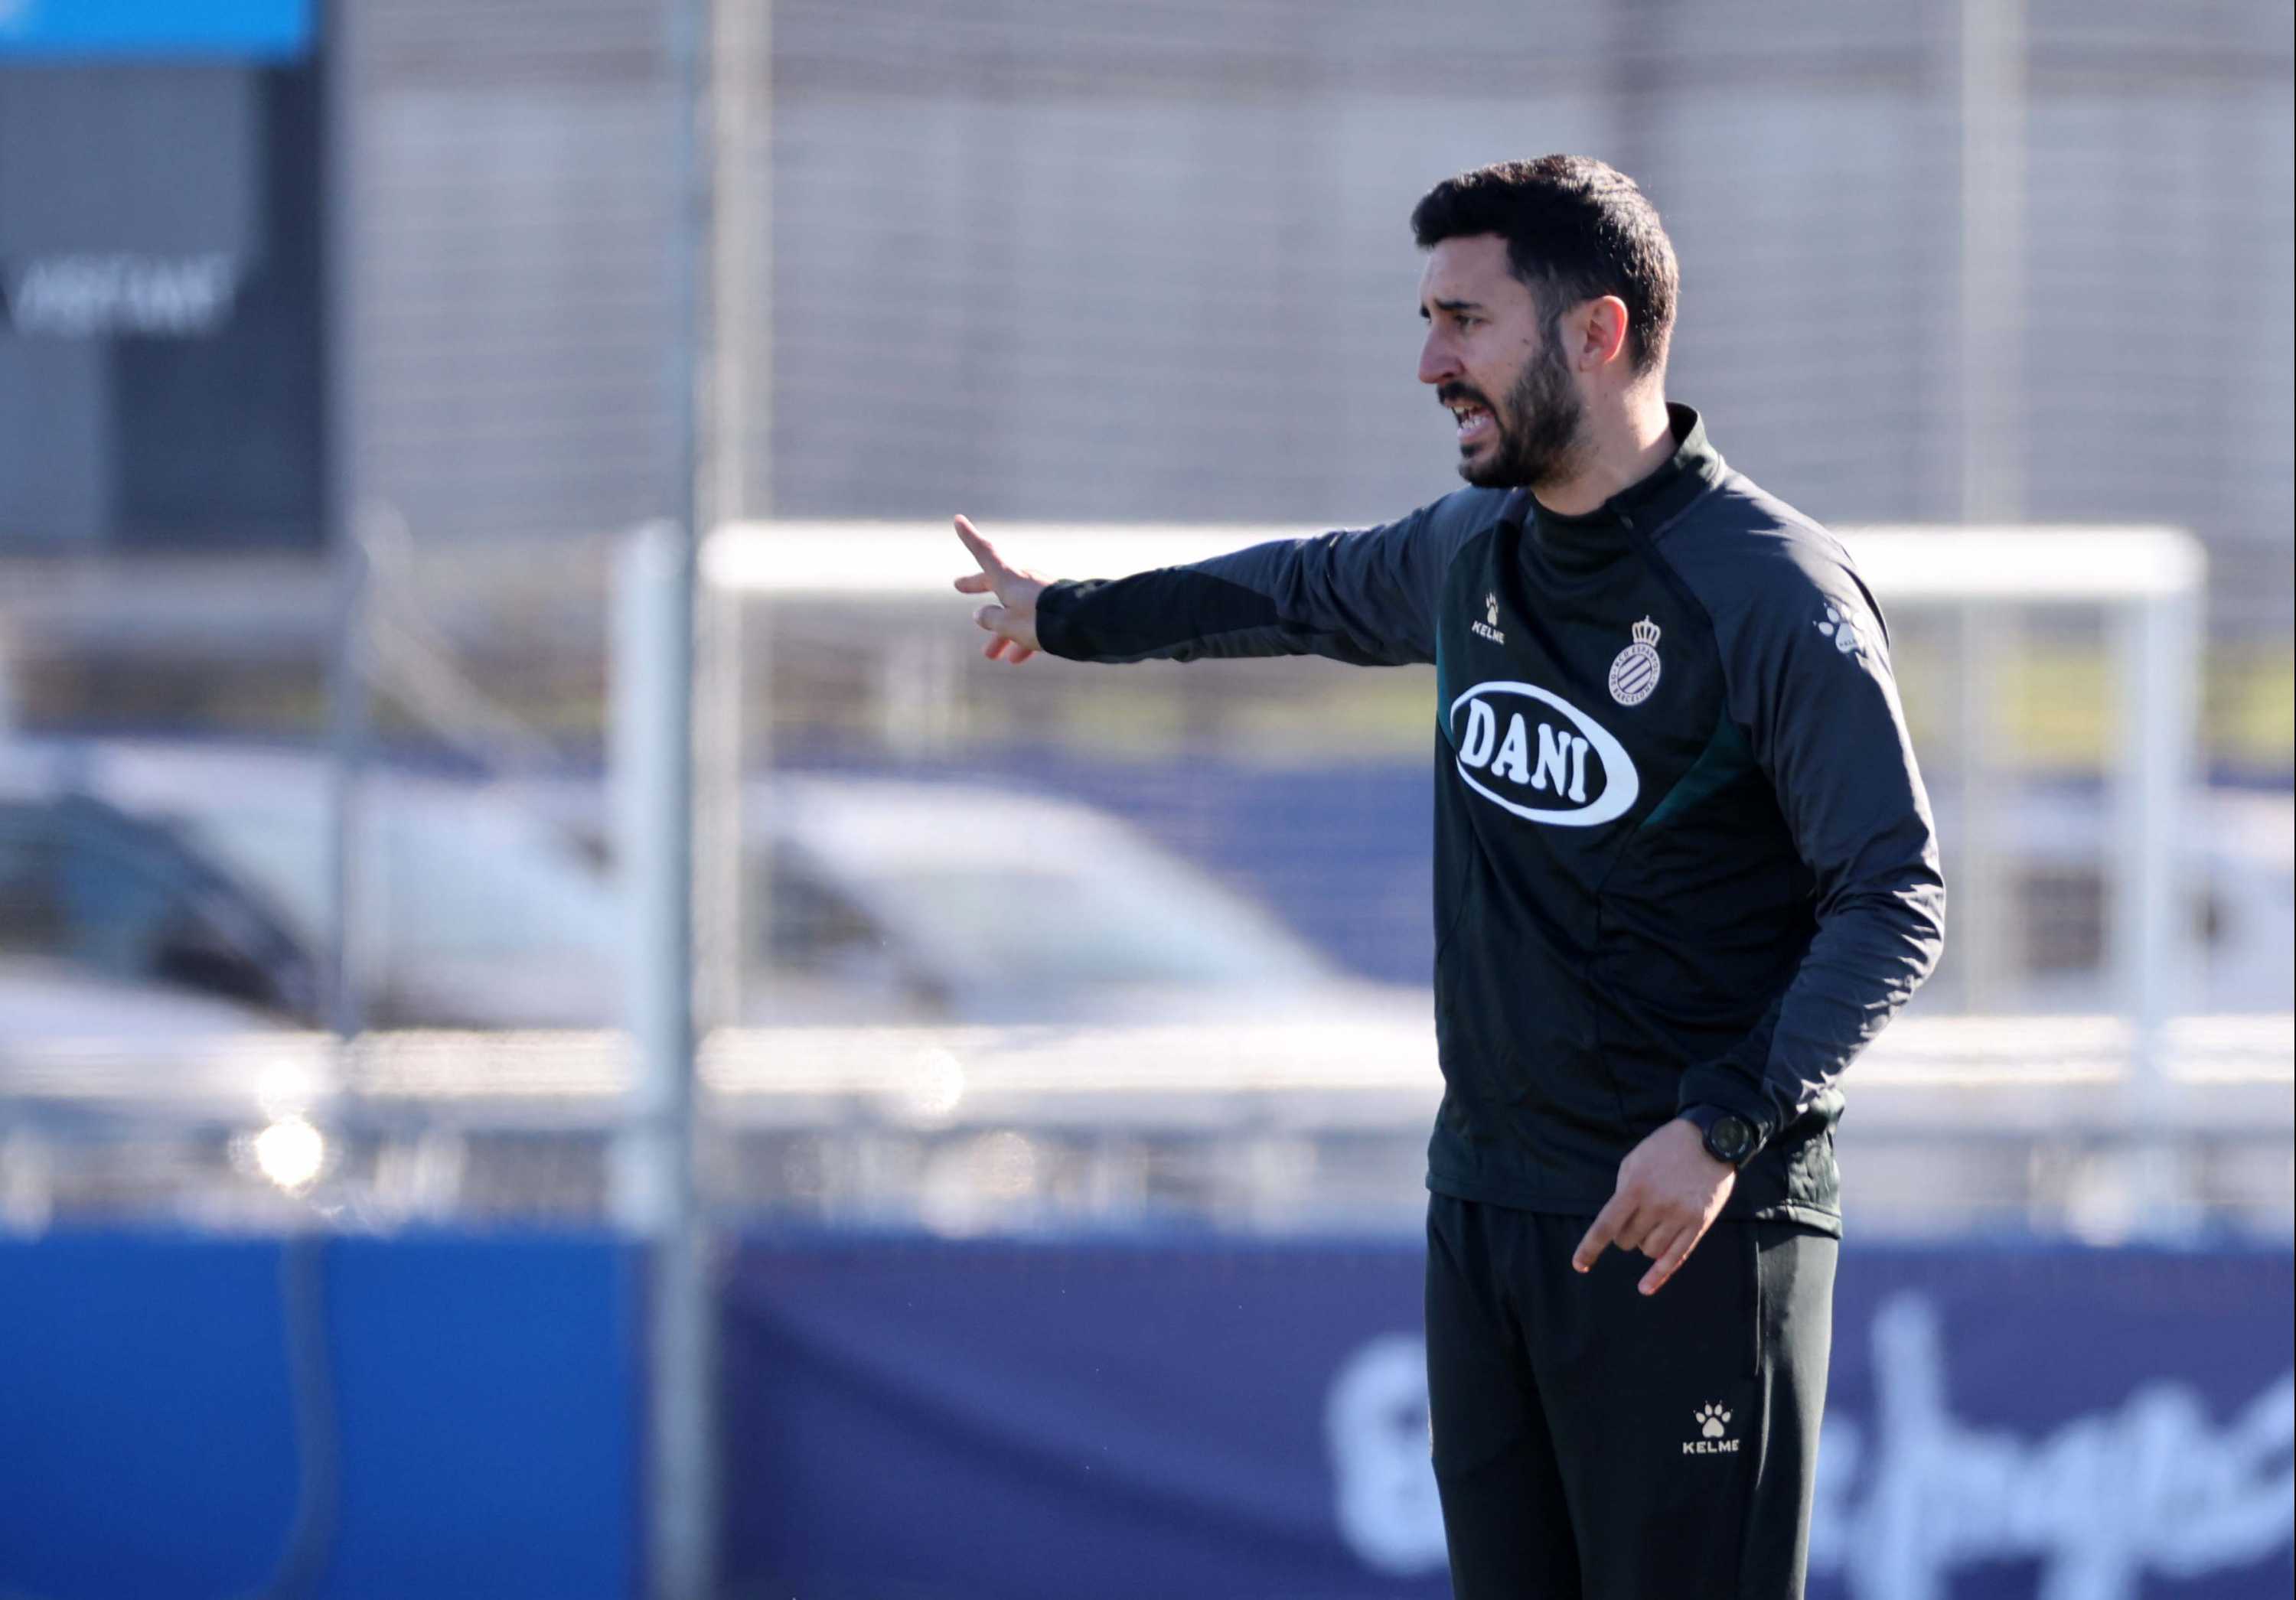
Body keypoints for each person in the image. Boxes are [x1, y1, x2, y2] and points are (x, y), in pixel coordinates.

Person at [949, 155, 1944, 1600]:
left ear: (1597, 332)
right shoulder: (1471, 549)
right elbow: (1291, 590)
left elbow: (1895, 896)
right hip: (1486, 1206)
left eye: (1465, 322)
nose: (1430, 365)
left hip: (1689, 1225)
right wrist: (1070, 616)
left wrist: (1723, 1125)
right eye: (1427, 321)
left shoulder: (1770, 590)